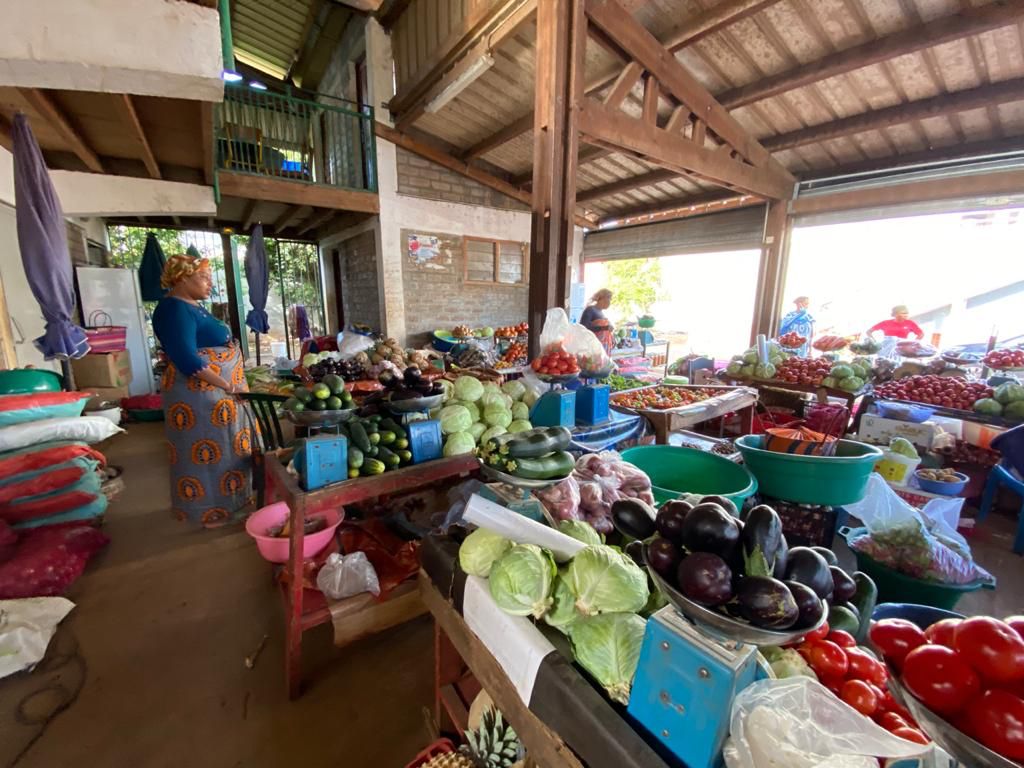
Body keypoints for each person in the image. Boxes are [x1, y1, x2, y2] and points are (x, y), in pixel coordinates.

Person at [152, 254, 253, 528]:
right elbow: (188, 360)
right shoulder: (174, 310)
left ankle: (232, 505)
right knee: (208, 454)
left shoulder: (190, 305)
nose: (210, 284)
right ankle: (212, 514)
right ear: (182, 278)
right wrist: (229, 385)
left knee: (227, 449)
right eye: (204, 278)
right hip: (200, 397)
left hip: (216, 394)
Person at [580, 288, 615, 354]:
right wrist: (604, 328)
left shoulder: (601, 313)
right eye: (609, 298)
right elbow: (583, 327)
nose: (610, 301)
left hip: (602, 349)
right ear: (603, 298)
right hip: (592, 349)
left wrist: (612, 337)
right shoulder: (590, 310)